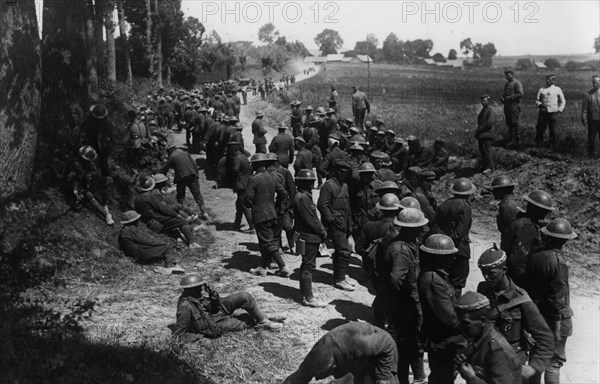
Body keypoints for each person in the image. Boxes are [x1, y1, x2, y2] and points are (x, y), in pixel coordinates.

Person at [476, 248, 555, 383]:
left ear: (504, 270)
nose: (486, 277)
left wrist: (533, 368)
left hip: (511, 365)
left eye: (491, 273)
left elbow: (545, 338)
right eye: (484, 273)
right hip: (487, 362)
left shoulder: (521, 299)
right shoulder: (482, 289)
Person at [373, 208, 428, 384]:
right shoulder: (401, 250)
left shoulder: (410, 243)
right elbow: (396, 280)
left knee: (413, 341)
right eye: (420, 226)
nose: (423, 229)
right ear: (410, 229)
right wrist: (408, 303)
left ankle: (418, 377)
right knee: (402, 348)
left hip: (405, 305)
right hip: (401, 307)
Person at [526, 218, 576, 384]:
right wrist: (556, 327)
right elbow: (557, 300)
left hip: (538, 315)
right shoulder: (559, 262)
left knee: (537, 358)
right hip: (556, 319)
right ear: (565, 241)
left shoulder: (535, 256)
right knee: (553, 363)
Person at [173, 273, 281, 341]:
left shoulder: (195, 295)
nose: (200, 290)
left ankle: (263, 318)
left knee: (244, 297)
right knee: (245, 321)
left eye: (200, 287)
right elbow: (179, 334)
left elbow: (207, 305)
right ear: (188, 289)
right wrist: (201, 338)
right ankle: (264, 321)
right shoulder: (185, 307)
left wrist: (212, 297)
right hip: (215, 323)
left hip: (217, 310)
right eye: (197, 288)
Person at [282, 322, 399, 384]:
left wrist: (382, 376)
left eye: (321, 376)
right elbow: (296, 379)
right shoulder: (315, 358)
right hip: (351, 357)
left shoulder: (363, 342)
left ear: (333, 365)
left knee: (382, 381)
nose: (317, 379)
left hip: (383, 351)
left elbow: (387, 345)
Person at [418, 234, 465, 384]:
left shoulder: (438, 275)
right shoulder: (433, 281)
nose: (453, 258)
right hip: (443, 342)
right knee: (442, 378)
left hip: (445, 340)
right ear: (437, 258)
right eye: (449, 255)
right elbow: (450, 319)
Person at [454, 291, 522, 384]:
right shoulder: (479, 338)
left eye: (465, 323)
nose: (460, 327)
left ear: (483, 320)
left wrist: (471, 377)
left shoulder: (496, 350)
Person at [246, 153, 291, 277]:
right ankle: (263, 267)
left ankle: (283, 267)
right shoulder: (273, 177)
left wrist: (251, 203)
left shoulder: (254, 179)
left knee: (267, 242)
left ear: (256, 165)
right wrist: (278, 207)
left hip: (260, 215)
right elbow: (284, 193)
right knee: (265, 241)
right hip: (273, 213)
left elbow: (248, 199)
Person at [501, 189, 554, 289]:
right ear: (535, 209)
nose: (546, 212)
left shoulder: (525, 223)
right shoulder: (526, 227)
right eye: (544, 209)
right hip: (517, 280)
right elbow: (518, 260)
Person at [317, 160, 354, 291]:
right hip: (336, 224)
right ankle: (339, 280)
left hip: (344, 223)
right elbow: (322, 205)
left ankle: (341, 275)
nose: (343, 174)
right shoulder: (328, 185)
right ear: (335, 171)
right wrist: (331, 220)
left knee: (340, 251)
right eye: (341, 172)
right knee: (344, 250)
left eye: (345, 172)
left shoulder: (344, 185)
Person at [293, 169, 328, 307]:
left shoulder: (304, 196)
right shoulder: (302, 198)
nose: (311, 184)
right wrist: (323, 232)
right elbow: (311, 220)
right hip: (309, 237)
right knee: (308, 266)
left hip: (308, 236)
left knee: (306, 265)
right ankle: (308, 298)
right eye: (309, 182)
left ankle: (306, 294)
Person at [135, 175, 201, 248]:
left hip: (148, 223)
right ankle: (192, 242)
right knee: (182, 222)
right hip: (156, 223)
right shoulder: (150, 196)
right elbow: (163, 209)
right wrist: (176, 215)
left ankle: (180, 239)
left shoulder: (137, 198)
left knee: (174, 228)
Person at [436, 178, 475, 296]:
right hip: (459, 250)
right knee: (457, 283)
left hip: (442, 248)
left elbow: (437, 227)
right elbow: (460, 232)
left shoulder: (444, 204)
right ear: (468, 193)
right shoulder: (465, 207)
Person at [118, 210, 185, 275]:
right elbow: (146, 240)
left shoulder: (124, 230)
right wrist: (161, 243)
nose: (138, 221)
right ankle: (171, 266)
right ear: (134, 221)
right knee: (166, 247)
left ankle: (162, 266)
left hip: (134, 253)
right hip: (139, 253)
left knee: (161, 251)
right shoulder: (131, 229)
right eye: (137, 219)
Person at [64, 145, 115, 225]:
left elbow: (95, 176)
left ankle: (104, 205)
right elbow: (72, 181)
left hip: (89, 184)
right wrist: (77, 192)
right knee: (89, 195)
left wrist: (92, 174)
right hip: (80, 188)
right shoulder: (75, 164)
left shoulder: (90, 164)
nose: (90, 161)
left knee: (108, 180)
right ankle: (106, 215)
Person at [158, 144, 210, 220]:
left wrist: (158, 175)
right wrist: (196, 175)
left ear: (169, 150)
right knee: (197, 194)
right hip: (192, 175)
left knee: (180, 195)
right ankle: (204, 212)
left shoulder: (172, 156)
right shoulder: (185, 153)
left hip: (181, 177)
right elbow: (194, 164)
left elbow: (165, 169)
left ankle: (181, 212)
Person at [81, 104, 115, 176]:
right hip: (91, 144)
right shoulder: (89, 121)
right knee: (90, 162)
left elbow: (110, 138)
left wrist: (107, 148)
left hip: (102, 146)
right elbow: (83, 128)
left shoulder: (107, 124)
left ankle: (107, 178)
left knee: (103, 162)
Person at [535, 74, 566, 146]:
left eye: (549, 79)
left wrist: (559, 110)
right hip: (543, 112)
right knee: (540, 128)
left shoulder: (557, 89)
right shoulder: (542, 89)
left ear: (553, 80)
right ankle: (539, 144)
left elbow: (563, 101)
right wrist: (540, 105)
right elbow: (537, 100)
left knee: (552, 129)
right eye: (547, 79)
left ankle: (552, 145)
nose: (547, 81)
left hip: (553, 112)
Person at [500, 68, 524, 145]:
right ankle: (510, 138)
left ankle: (517, 140)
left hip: (514, 106)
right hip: (507, 106)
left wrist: (509, 98)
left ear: (512, 75)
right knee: (508, 122)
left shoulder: (517, 83)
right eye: (505, 75)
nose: (506, 77)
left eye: (508, 75)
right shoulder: (507, 84)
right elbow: (505, 94)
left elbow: (520, 94)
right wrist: (503, 98)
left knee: (514, 122)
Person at [474, 95, 496, 173]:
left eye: (484, 100)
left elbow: (489, 123)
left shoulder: (490, 111)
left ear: (488, 101)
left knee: (486, 151)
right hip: (482, 135)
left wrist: (480, 129)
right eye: (482, 100)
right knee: (482, 151)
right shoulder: (482, 112)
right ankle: (485, 167)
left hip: (487, 134)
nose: (483, 102)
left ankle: (490, 167)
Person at [581, 75, 600, 157]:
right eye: (593, 83)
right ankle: (590, 155)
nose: (595, 85)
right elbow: (584, 109)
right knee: (591, 138)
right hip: (592, 120)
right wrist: (584, 118)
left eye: (596, 83)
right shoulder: (588, 95)